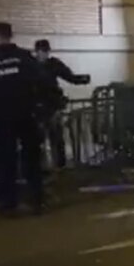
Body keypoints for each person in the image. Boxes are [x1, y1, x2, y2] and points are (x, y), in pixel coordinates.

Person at [0, 22, 45, 217]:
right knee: (31, 158)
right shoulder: (23, 57)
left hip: (1, 116)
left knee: (5, 161)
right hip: (25, 114)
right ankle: (36, 200)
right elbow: (40, 80)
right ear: (11, 35)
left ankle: (8, 204)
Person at [33, 39, 91, 169]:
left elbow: (69, 76)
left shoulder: (50, 64)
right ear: (37, 52)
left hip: (50, 106)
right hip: (40, 107)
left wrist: (82, 79)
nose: (44, 54)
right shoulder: (34, 65)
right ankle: (44, 167)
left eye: (45, 52)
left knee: (55, 138)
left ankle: (59, 166)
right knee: (41, 139)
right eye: (41, 52)